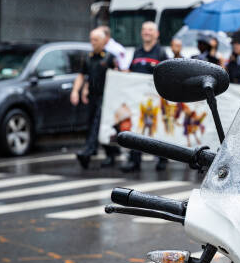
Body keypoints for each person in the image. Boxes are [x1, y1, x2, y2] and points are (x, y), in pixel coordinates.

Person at [123, 21, 169, 172]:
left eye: (150, 30)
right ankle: (134, 160)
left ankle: (162, 158)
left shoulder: (161, 53)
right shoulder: (137, 52)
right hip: (137, 100)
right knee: (136, 129)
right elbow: (131, 73)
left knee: (157, 130)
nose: (146, 32)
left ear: (157, 34)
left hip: (154, 100)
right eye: (144, 29)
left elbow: (167, 74)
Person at [71, 28, 118, 169]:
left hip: (106, 97)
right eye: (91, 39)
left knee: (99, 124)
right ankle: (110, 152)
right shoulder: (88, 57)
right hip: (93, 96)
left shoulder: (109, 57)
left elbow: (118, 76)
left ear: (103, 41)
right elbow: (82, 75)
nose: (93, 42)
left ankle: (88, 151)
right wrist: (76, 91)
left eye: (96, 40)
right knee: (93, 123)